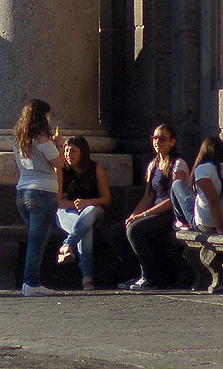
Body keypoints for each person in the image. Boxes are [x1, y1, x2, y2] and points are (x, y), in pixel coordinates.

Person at [118, 122, 190, 290]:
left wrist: (144, 215)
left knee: (135, 230)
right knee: (118, 231)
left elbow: (174, 199)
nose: (157, 142)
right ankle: (135, 273)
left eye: (162, 138)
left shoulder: (178, 165)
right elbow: (149, 195)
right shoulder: (153, 164)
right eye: (154, 138)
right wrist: (133, 215)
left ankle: (150, 277)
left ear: (172, 142)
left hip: (171, 212)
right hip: (154, 210)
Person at [11, 98, 65, 296]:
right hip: (43, 191)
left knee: (34, 238)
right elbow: (60, 164)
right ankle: (31, 283)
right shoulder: (43, 140)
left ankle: (31, 281)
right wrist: (59, 145)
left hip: (22, 191)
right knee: (37, 241)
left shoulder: (19, 139)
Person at [53, 135, 111, 290]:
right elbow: (58, 202)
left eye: (73, 151)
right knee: (85, 231)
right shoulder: (61, 170)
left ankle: (68, 244)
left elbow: (106, 199)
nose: (68, 155)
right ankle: (87, 277)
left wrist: (87, 203)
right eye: (66, 150)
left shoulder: (95, 168)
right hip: (67, 212)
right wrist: (75, 204)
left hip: (92, 211)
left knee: (90, 211)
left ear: (82, 152)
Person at [173, 135, 223, 235]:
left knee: (177, 184)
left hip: (208, 225)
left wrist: (220, 229)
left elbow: (213, 200)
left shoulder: (203, 169)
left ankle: (182, 221)